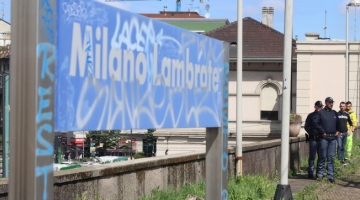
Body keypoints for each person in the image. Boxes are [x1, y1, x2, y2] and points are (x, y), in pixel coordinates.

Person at [313, 97, 340, 183]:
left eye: (332, 102)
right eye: (329, 102)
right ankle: (320, 174)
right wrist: (322, 132)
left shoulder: (334, 113)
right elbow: (315, 123)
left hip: (333, 138)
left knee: (331, 157)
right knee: (322, 156)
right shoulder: (321, 113)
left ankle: (330, 175)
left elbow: (339, 123)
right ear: (326, 103)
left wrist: (338, 131)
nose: (331, 104)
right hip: (324, 138)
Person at [304, 100, 324, 178]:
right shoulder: (311, 116)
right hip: (313, 138)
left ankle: (319, 173)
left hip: (321, 137)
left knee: (321, 156)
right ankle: (310, 172)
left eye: (321, 106)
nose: (320, 108)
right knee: (312, 156)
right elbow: (306, 127)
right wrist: (312, 133)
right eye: (318, 106)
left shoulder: (323, 115)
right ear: (315, 106)